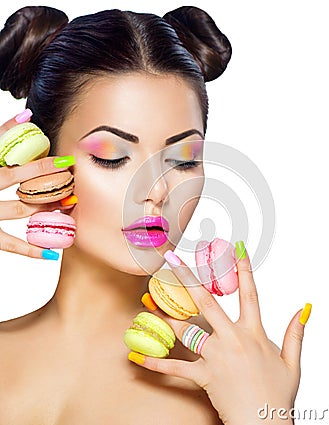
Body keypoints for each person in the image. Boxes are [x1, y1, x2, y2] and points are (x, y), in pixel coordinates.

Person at [0, 6, 311, 424]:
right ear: (41, 160)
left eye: (183, 160)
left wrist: (265, 418)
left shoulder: (230, 380)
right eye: (113, 156)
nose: (156, 190)